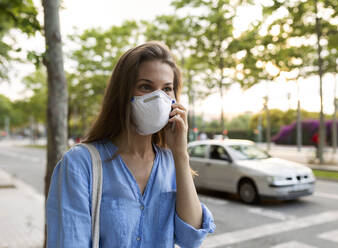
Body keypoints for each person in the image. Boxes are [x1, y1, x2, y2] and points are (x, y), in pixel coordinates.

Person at [46, 41, 215, 247]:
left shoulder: (171, 163)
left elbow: (191, 239)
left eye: (167, 89)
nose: (158, 97)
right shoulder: (79, 164)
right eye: (146, 86)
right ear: (123, 94)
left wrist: (181, 154)